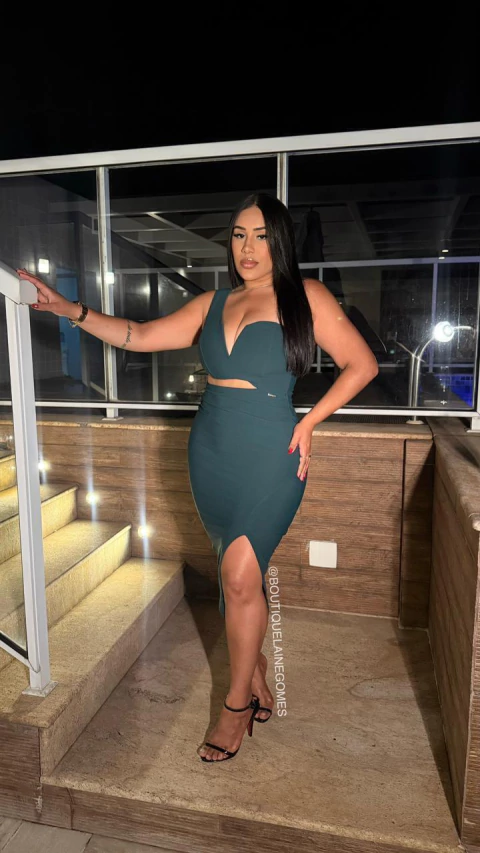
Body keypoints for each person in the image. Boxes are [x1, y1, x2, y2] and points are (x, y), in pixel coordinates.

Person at [17, 192, 378, 764]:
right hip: (211, 448)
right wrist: (70, 309)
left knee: (239, 576)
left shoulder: (304, 296)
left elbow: (363, 365)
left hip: (271, 450)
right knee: (237, 578)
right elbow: (139, 335)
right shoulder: (213, 303)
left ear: (280, 242)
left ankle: (236, 706)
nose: (248, 248)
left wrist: (310, 421)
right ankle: (254, 668)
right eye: (238, 235)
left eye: (261, 236)